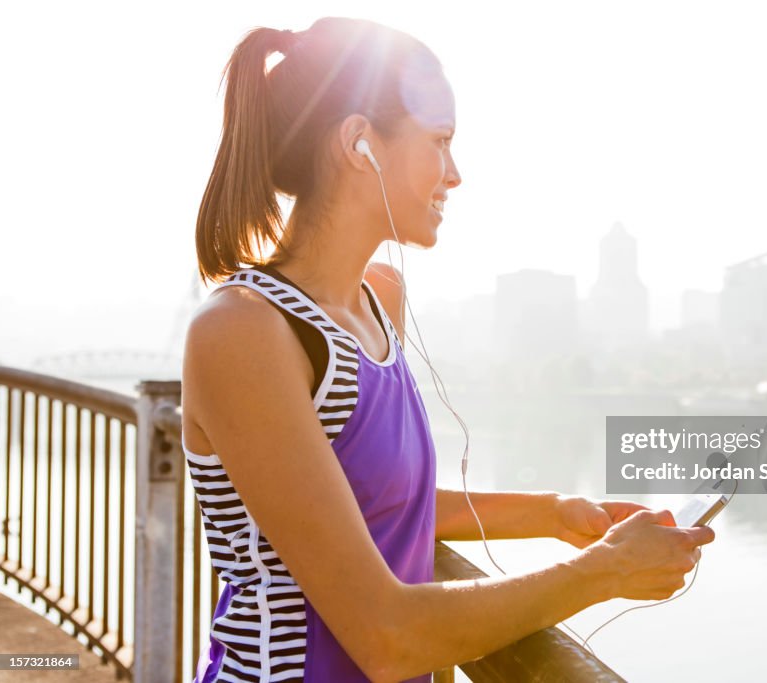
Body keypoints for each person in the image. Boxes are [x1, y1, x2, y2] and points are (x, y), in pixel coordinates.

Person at [182, 16, 715, 683]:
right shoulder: (243, 333)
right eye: (440, 141)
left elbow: (379, 499)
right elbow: (385, 635)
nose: (455, 173)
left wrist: (554, 514)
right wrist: (606, 569)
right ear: (360, 145)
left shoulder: (380, 299)